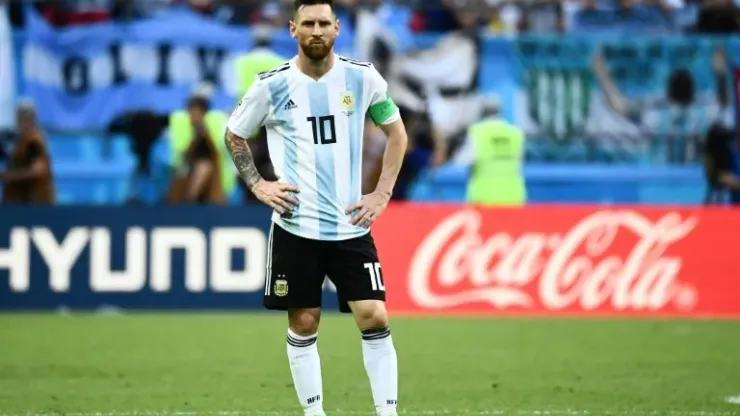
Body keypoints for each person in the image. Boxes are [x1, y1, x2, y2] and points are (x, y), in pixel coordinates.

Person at [224, 1, 407, 415]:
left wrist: (382, 193)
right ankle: (314, 412)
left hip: (350, 225)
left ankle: (387, 412)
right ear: (293, 29)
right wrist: (257, 184)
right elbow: (234, 135)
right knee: (304, 320)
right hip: (296, 225)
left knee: (374, 315)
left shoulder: (362, 78)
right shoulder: (271, 85)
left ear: (337, 28)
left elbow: (397, 134)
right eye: (308, 23)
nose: (317, 30)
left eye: (324, 22)